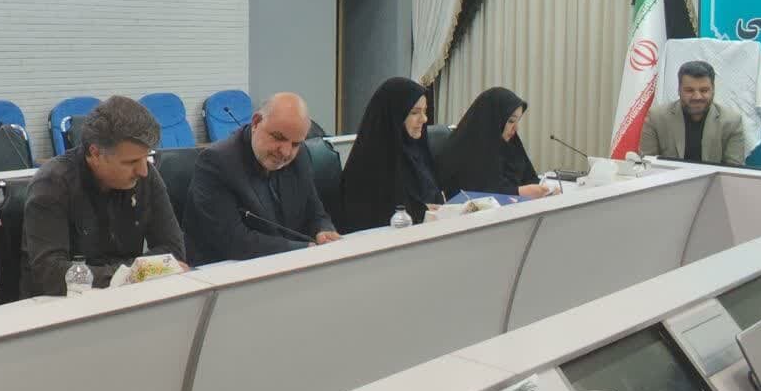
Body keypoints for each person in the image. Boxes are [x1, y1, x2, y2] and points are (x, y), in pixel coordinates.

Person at [20, 96, 186, 297]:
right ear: (96, 154)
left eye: (146, 157)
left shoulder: (147, 176)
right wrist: (133, 274)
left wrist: (132, 274)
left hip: (127, 296)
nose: (143, 171)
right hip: (61, 305)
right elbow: (51, 274)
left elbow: (173, 251)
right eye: (131, 162)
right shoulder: (52, 183)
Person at [182, 92, 340, 266]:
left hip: (286, 264)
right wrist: (301, 248)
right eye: (279, 137)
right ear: (256, 122)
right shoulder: (216, 162)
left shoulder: (300, 156)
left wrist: (323, 230)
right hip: (228, 271)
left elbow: (315, 211)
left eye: (295, 144)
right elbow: (233, 241)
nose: (286, 152)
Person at [339, 77, 445, 231]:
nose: (424, 119)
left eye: (425, 111)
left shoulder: (418, 153)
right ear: (394, 116)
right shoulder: (370, 165)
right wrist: (422, 211)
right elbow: (377, 216)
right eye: (414, 113)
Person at [437, 87, 552, 198]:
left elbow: (530, 178)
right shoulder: (466, 149)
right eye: (511, 121)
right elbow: (477, 194)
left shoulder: (511, 144)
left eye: (517, 121)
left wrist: (546, 190)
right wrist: (519, 192)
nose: (516, 128)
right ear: (494, 118)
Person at [640, 61, 747, 166]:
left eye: (704, 90)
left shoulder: (732, 121)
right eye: (689, 90)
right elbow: (647, 165)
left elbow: (734, 170)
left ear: (713, 90)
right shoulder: (656, 117)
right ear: (679, 90)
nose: (697, 97)